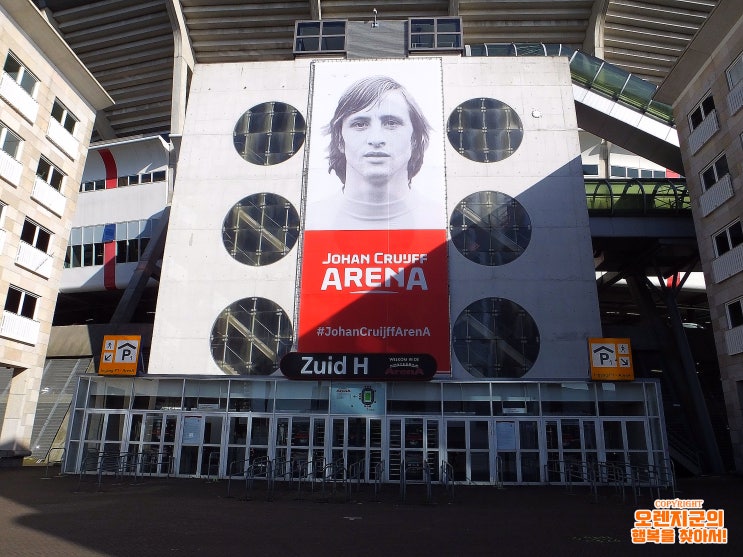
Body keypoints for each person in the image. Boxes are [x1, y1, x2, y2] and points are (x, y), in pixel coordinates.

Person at [306, 75, 445, 230]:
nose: (376, 139)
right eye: (360, 124)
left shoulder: (440, 221)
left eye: (391, 123)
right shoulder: (311, 221)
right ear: (339, 139)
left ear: (414, 139)